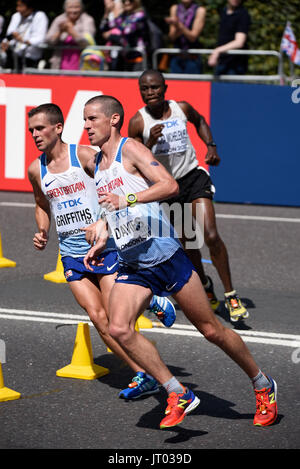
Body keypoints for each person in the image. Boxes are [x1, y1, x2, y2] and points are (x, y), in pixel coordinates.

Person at [83, 94, 278, 429]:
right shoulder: (98, 167)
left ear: (113, 120)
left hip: (164, 255)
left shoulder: (131, 149)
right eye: (84, 121)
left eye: (92, 119)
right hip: (133, 262)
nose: (86, 127)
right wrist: (103, 231)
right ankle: (177, 392)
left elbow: (169, 186)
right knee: (118, 328)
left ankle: (263, 384)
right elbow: (115, 211)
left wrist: (125, 197)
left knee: (211, 330)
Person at [27, 102, 176, 400]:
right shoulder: (36, 169)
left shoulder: (82, 156)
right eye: (31, 130)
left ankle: (151, 299)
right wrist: (43, 230)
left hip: (104, 248)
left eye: (40, 128)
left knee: (116, 318)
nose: (35, 134)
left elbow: (114, 182)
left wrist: (102, 221)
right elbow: (42, 205)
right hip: (70, 253)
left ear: (58, 128)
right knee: (99, 318)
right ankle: (141, 374)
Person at [128, 69, 248, 322]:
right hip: (168, 188)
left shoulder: (181, 108)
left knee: (211, 234)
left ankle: (231, 294)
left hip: (193, 178)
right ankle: (205, 284)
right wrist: (150, 143)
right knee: (189, 244)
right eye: (145, 89)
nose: (150, 93)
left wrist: (211, 146)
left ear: (165, 88)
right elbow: (134, 158)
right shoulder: (138, 122)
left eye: (155, 87)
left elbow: (200, 121)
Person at [45, 0, 96, 70]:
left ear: (81, 8)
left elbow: (88, 42)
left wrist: (71, 31)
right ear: (65, 8)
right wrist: (60, 32)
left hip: (82, 65)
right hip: (59, 65)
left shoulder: (88, 20)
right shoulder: (59, 19)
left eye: (76, 7)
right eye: (70, 7)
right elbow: (48, 41)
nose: (73, 10)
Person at [99, 0, 148, 72]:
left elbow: (127, 31)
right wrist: (107, 12)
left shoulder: (140, 15)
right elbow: (103, 28)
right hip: (124, 58)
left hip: (138, 58)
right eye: (124, 1)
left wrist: (111, 35)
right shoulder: (123, 16)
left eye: (130, 1)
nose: (127, 3)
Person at [0, 0, 48, 72]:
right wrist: (6, 42)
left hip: (31, 58)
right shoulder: (16, 16)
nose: (18, 9)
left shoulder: (40, 16)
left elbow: (40, 38)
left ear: (30, 8)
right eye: (17, 6)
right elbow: (10, 34)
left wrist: (22, 40)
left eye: (21, 6)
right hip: (14, 56)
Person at [208, 0, 251, 75]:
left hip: (235, 65)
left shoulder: (243, 14)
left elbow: (239, 42)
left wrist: (217, 51)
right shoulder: (223, 11)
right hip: (222, 62)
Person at [165, 0, 206, 74]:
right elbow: (172, 37)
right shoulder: (175, 8)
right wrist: (177, 26)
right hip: (177, 58)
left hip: (193, 58)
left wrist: (179, 25)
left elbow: (193, 37)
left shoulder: (200, 10)